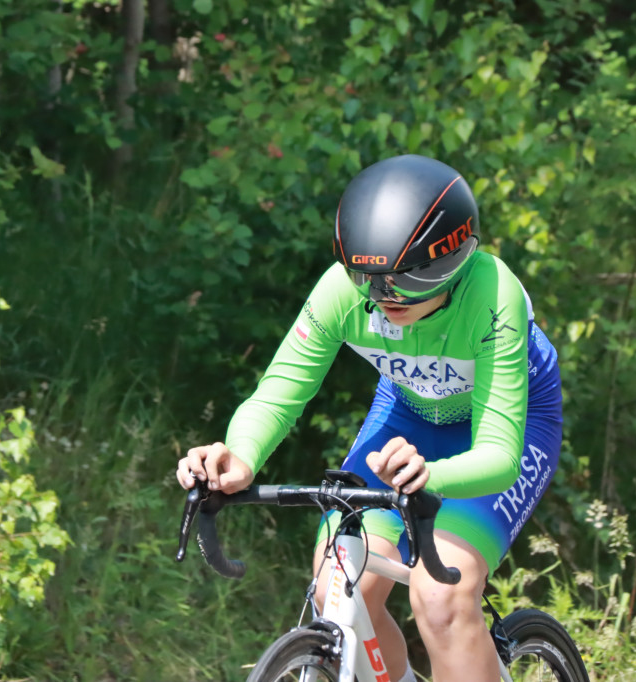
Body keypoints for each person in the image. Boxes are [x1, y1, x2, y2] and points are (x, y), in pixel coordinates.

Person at [175, 154, 562, 682]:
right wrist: (238, 455)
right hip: (408, 416)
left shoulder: (493, 294)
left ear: (451, 258)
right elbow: (278, 394)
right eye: (368, 277)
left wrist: (434, 475)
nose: (384, 297)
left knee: (441, 595)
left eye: (407, 277)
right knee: (337, 576)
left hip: (502, 429)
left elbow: (498, 456)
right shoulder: (341, 291)